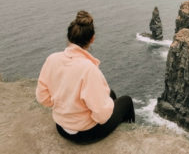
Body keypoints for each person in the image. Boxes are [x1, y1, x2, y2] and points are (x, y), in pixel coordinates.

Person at [36, 10, 135, 144]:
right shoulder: (88, 69)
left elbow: (42, 98)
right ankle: (130, 136)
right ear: (92, 39)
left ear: (69, 37)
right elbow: (102, 116)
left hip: (61, 126)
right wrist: (94, 113)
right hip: (85, 134)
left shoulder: (52, 59)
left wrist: (65, 107)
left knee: (111, 93)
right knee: (126, 101)